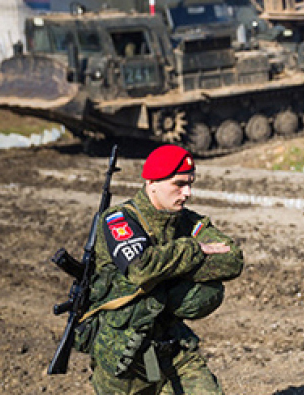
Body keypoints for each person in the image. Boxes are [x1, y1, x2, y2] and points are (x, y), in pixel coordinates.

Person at [80, 144, 243, 394]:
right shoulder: (120, 220)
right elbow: (140, 267)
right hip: (125, 355)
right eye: (179, 184)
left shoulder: (187, 221)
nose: (187, 192)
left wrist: (169, 269)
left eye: (190, 183)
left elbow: (232, 259)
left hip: (173, 347)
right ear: (152, 182)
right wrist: (193, 250)